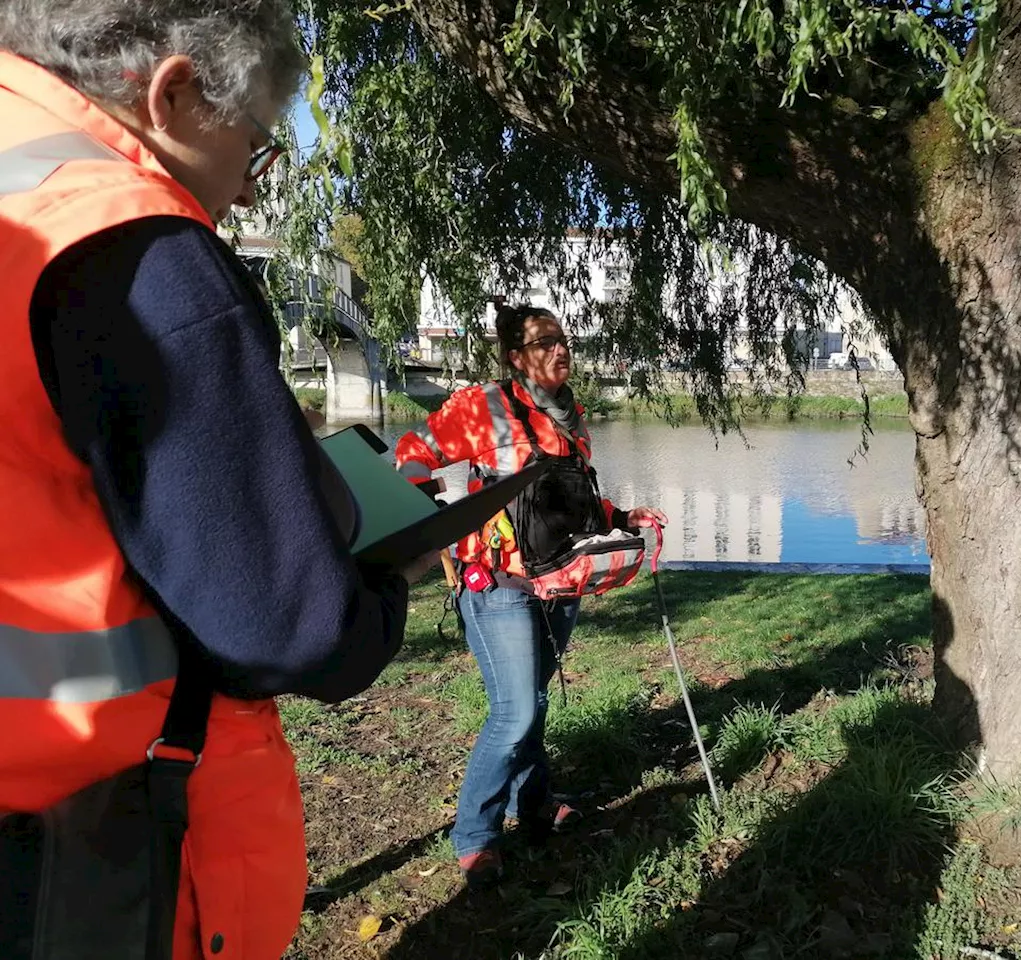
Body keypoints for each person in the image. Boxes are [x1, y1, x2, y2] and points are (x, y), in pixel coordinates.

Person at [0, 2, 436, 957]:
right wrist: (385, 591)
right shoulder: (133, 250)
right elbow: (286, 628)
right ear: (177, 92)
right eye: (257, 145)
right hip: (101, 843)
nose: (247, 187)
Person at [394, 304, 667, 887]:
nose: (560, 349)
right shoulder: (483, 406)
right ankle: (475, 835)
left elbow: (575, 501)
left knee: (532, 702)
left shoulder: (570, 416)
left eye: (563, 338)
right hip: (497, 585)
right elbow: (410, 456)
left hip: (559, 581)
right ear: (516, 356)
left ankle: (536, 803)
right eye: (545, 341)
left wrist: (623, 515)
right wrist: (438, 524)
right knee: (515, 711)